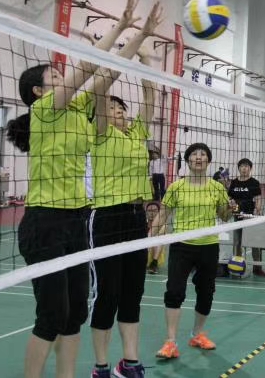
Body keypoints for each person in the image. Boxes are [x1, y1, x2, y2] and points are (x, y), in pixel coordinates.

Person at [5, 0, 160, 378]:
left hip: (76, 221)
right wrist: (120, 26)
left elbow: (111, 71)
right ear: (38, 91)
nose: (63, 77)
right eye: (55, 77)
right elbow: (89, 65)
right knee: (51, 314)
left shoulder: (80, 111)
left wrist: (142, 34)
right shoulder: (45, 111)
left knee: (76, 311)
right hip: (45, 222)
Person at [89, 45, 158, 378]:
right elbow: (99, 91)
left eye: (121, 108)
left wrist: (145, 60)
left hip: (135, 218)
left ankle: (129, 362)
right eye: (111, 108)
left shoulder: (137, 135)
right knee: (108, 293)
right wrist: (118, 56)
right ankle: (101, 366)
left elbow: (150, 95)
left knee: (133, 292)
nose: (117, 111)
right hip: (108, 217)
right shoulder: (100, 134)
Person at [151, 143, 232, 360]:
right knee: (174, 291)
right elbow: (163, 214)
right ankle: (170, 342)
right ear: (187, 160)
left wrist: (230, 207)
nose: (198, 157)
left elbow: (224, 216)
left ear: (208, 160)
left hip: (208, 245)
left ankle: (197, 334)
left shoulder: (217, 187)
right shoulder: (176, 187)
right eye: (194, 154)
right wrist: (148, 238)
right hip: (181, 245)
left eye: (203, 154)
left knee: (206, 293)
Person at [228, 158, 265, 277]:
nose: (244, 168)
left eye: (246, 166)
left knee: (254, 242)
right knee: (237, 242)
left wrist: (257, 210)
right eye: (242, 166)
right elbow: (230, 198)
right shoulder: (234, 182)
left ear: (250, 168)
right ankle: (237, 266)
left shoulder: (254, 182)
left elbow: (258, 198)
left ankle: (257, 267)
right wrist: (232, 206)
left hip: (250, 216)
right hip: (237, 216)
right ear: (239, 168)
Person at [145, 202, 165, 274]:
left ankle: (154, 263)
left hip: (153, 252)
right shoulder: (142, 223)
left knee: (158, 239)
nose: (152, 213)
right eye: (149, 211)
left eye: (154, 211)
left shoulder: (162, 226)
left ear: (158, 212)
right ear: (146, 212)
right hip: (143, 252)